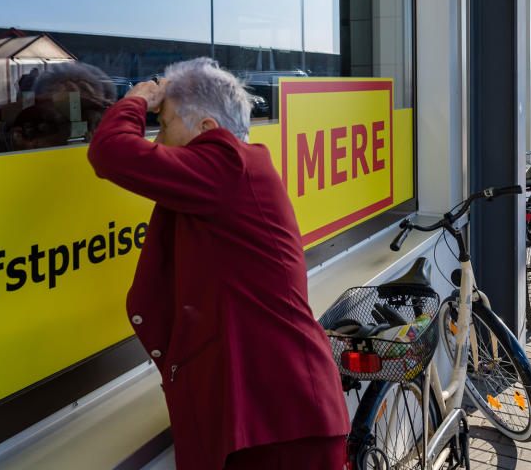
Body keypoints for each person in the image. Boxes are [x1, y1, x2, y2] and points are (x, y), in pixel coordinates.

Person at [87, 58, 350, 470]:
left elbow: (111, 153)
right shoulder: (237, 170)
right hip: (274, 416)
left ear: (208, 130)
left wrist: (137, 99)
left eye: (166, 123)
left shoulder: (227, 164)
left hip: (276, 423)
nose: (158, 140)